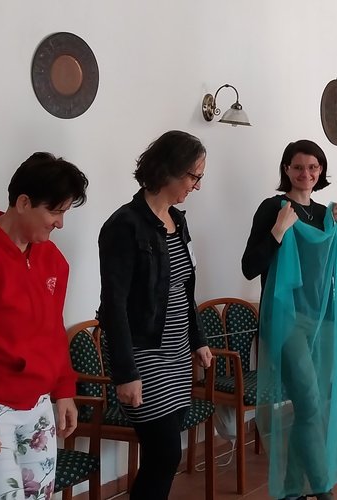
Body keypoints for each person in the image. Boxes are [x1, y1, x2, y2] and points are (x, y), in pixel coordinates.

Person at [0, 152, 88, 499]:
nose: (60, 223)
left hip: (37, 404)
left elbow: (53, 331)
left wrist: (63, 390)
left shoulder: (53, 260)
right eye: (55, 212)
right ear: (24, 202)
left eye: (64, 212)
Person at [97, 130, 214, 499]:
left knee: (162, 457)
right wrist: (126, 373)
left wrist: (197, 340)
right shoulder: (124, 225)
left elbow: (184, 289)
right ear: (168, 170)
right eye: (193, 176)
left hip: (177, 354)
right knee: (165, 453)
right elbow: (113, 305)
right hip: (143, 353)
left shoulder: (178, 220)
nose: (197, 186)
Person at [242, 139, 337, 500]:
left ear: (321, 171)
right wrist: (278, 230)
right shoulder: (274, 208)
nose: (306, 173)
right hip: (285, 321)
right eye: (298, 166)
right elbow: (249, 266)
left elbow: (336, 270)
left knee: (313, 408)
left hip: (323, 321)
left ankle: (291, 491)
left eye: (313, 167)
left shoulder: (327, 214)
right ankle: (323, 489)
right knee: (309, 404)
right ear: (286, 169)